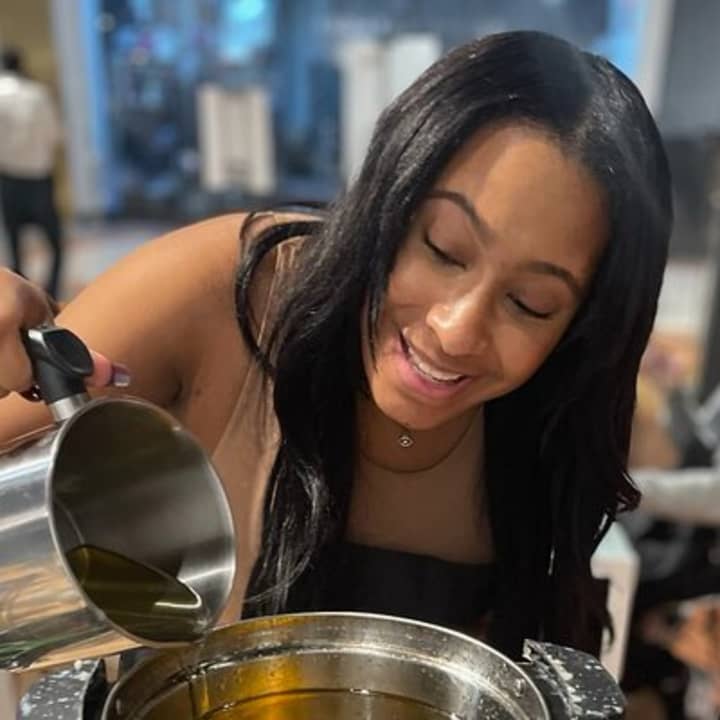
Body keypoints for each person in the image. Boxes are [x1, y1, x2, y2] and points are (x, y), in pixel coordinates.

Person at [0, 31, 672, 660]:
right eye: (441, 248)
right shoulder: (225, 292)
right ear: (385, 199)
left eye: (531, 304)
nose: (456, 330)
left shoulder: (553, 421)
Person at [0, 46, 63, 298]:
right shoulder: (38, 94)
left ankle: (21, 299)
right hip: (39, 177)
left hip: (8, 178)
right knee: (55, 243)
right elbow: (54, 135)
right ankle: (52, 293)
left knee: (15, 245)